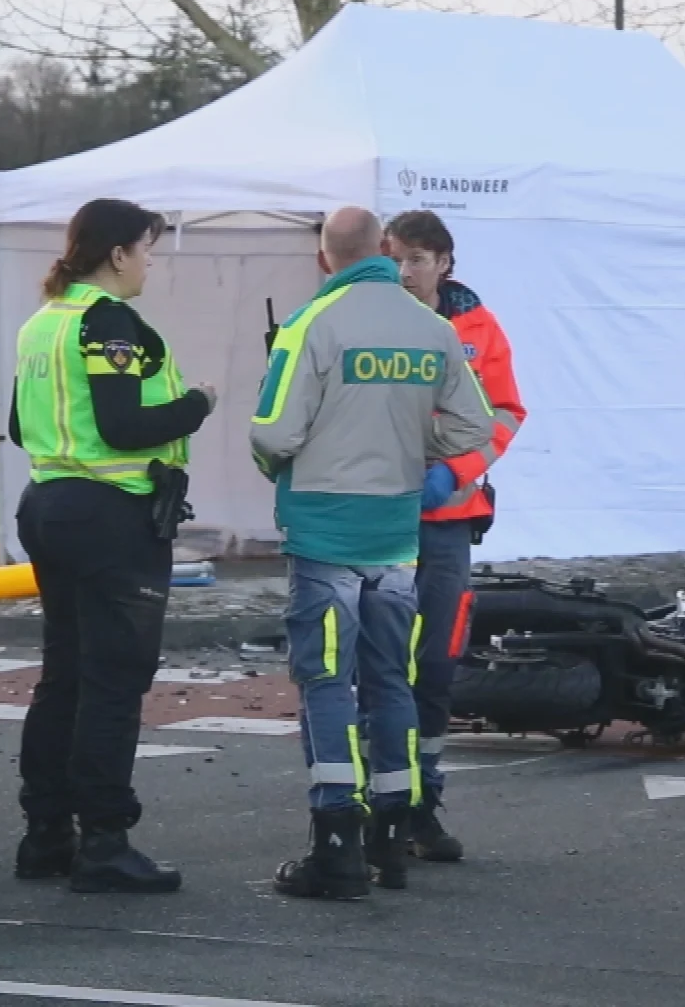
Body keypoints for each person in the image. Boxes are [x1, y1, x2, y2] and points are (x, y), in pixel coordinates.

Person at [251, 207, 493, 900]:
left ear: (327, 258)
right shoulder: (434, 329)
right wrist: (425, 459)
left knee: (327, 683)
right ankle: (393, 833)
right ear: (384, 251)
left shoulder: (310, 325)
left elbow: (273, 433)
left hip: (325, 532)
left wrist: (287, 464)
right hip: (397, 535)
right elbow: (475, 424)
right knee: (391, 679)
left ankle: (336, 844)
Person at [8, 198, 217, 893]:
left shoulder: (44, 322)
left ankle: (45, 834)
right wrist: (198, 405)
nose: (150, 265)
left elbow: (18, 421)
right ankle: (104, 840)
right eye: (148, 251)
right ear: (118, 253)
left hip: (47, 504)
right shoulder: (108, 322)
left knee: (63, 672)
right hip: (110, 515)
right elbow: (124, 425)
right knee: (113, 681)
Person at [366, 209, 527, 863]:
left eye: (418, 259)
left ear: (444, 264)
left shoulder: (479, 330)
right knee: (377, 669)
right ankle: (382, 806)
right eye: (397, 258)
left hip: (448, 518)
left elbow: (506, 414)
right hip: (380, 518)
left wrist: (456, 471)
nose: (406, 272)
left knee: (434, 665)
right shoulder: (372, 317)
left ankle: (423, 806)